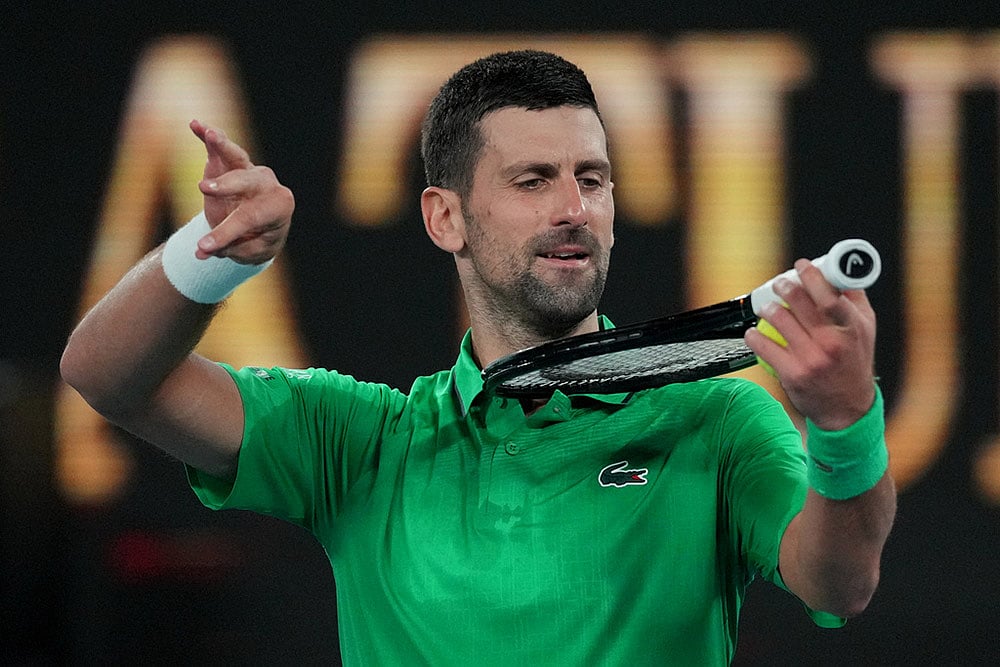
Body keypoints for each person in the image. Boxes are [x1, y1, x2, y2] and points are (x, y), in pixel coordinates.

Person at [61, 50, 896, 664]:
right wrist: (209, 255)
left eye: (592, 178)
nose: (574, 208)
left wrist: (845, 423)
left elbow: (841, 583)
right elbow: (105, 375)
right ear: (445, 217)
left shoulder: (717, 418)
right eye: (533, 180)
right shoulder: (361, 444)